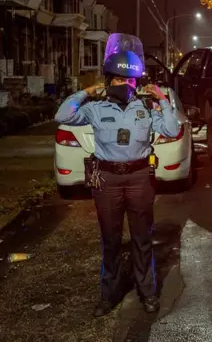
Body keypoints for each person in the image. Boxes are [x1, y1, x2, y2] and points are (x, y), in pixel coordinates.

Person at [54, 35, 180, 317]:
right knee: (110, 241)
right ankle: (108, 296)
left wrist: (163, 100)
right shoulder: (96, 109)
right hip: (108, 181)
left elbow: (171, 130)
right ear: (109, 80)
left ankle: (148, 293)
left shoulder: (147, 108)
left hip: (139, 178)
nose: (125, 85)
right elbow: (62, 115)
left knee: (142, 239)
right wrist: (86, 91)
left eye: (130, 80)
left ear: (136, 82)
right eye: (119, 80)